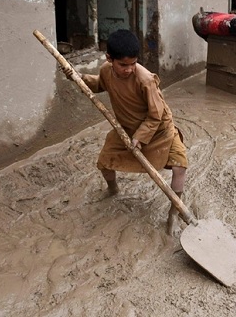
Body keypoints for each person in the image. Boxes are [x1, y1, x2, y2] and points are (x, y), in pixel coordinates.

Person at [63, 29, 188, 237]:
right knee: (104, 162)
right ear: (109, 59)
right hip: (127, 131)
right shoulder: (105, 71)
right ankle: (112, 190)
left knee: (180, 167)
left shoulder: (145, 80)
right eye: (123, 65)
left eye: (133, 64)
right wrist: (77, 77)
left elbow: (156, 116)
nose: (129, 69)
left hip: (159, 131)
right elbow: (98, 84)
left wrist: (140, 138)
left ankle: (174, 214)